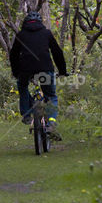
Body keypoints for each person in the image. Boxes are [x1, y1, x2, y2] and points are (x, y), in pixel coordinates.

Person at [9, 11, 68, 139]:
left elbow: (13, 55)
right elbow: (57, 52)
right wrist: (62, 70)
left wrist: (16, 72)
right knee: (51, 96)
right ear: (40, 22)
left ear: (25, 23)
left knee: (23, 87)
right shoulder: (46, 33)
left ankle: (27, 114)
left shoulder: (21, 35)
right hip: (45, 69)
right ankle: (51, 123)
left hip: (25, 70)